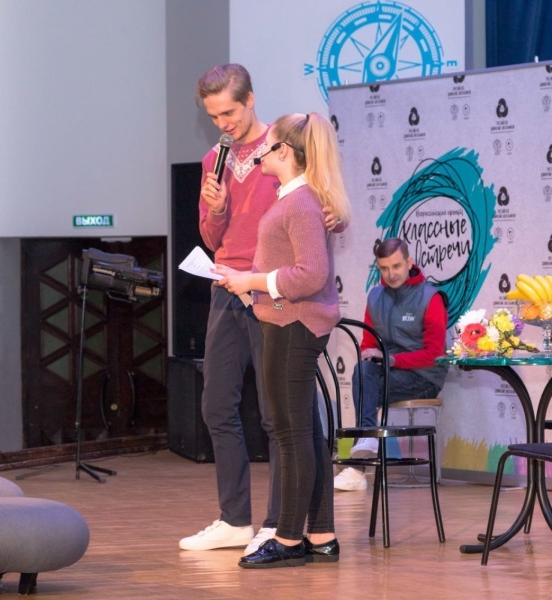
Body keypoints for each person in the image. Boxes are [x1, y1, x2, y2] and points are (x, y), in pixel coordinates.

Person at [178, 65, 340, 555]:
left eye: (228, 112)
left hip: (274, 291)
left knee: (280, 415)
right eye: (213, 117)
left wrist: (335, 216)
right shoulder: (214, 159)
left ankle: (279, 523)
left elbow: (324, 211)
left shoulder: (284, 147)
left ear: (250, 99)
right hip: (227, 286)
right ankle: (234, 519)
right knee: (216, 404)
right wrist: (216, 209)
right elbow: (211, 237)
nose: (222, 123)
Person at [214, 112, 350, 568]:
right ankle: (322, 534)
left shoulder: (300, 203)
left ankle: (289, 539)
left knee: (292, 436)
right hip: (288, 322)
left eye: (267, 146)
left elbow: (311, 275)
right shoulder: (297, 199)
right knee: (305, 433)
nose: (260, 153)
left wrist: (252, 280)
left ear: (285, 153)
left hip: (293, 324)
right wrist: (246, 280)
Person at [334, 238, 448, 492]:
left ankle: (358, 465)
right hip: (389, 371)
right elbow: (368, 345)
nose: (391, 274)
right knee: (362, 371)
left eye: (396, 266)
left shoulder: (430, 298)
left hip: (424, 376)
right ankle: (366, 444)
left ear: (409, 262)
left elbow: (434, 355)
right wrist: (374, 358)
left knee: (366, 387)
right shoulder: (375, 296)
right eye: (384, 268)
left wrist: (391, 360)